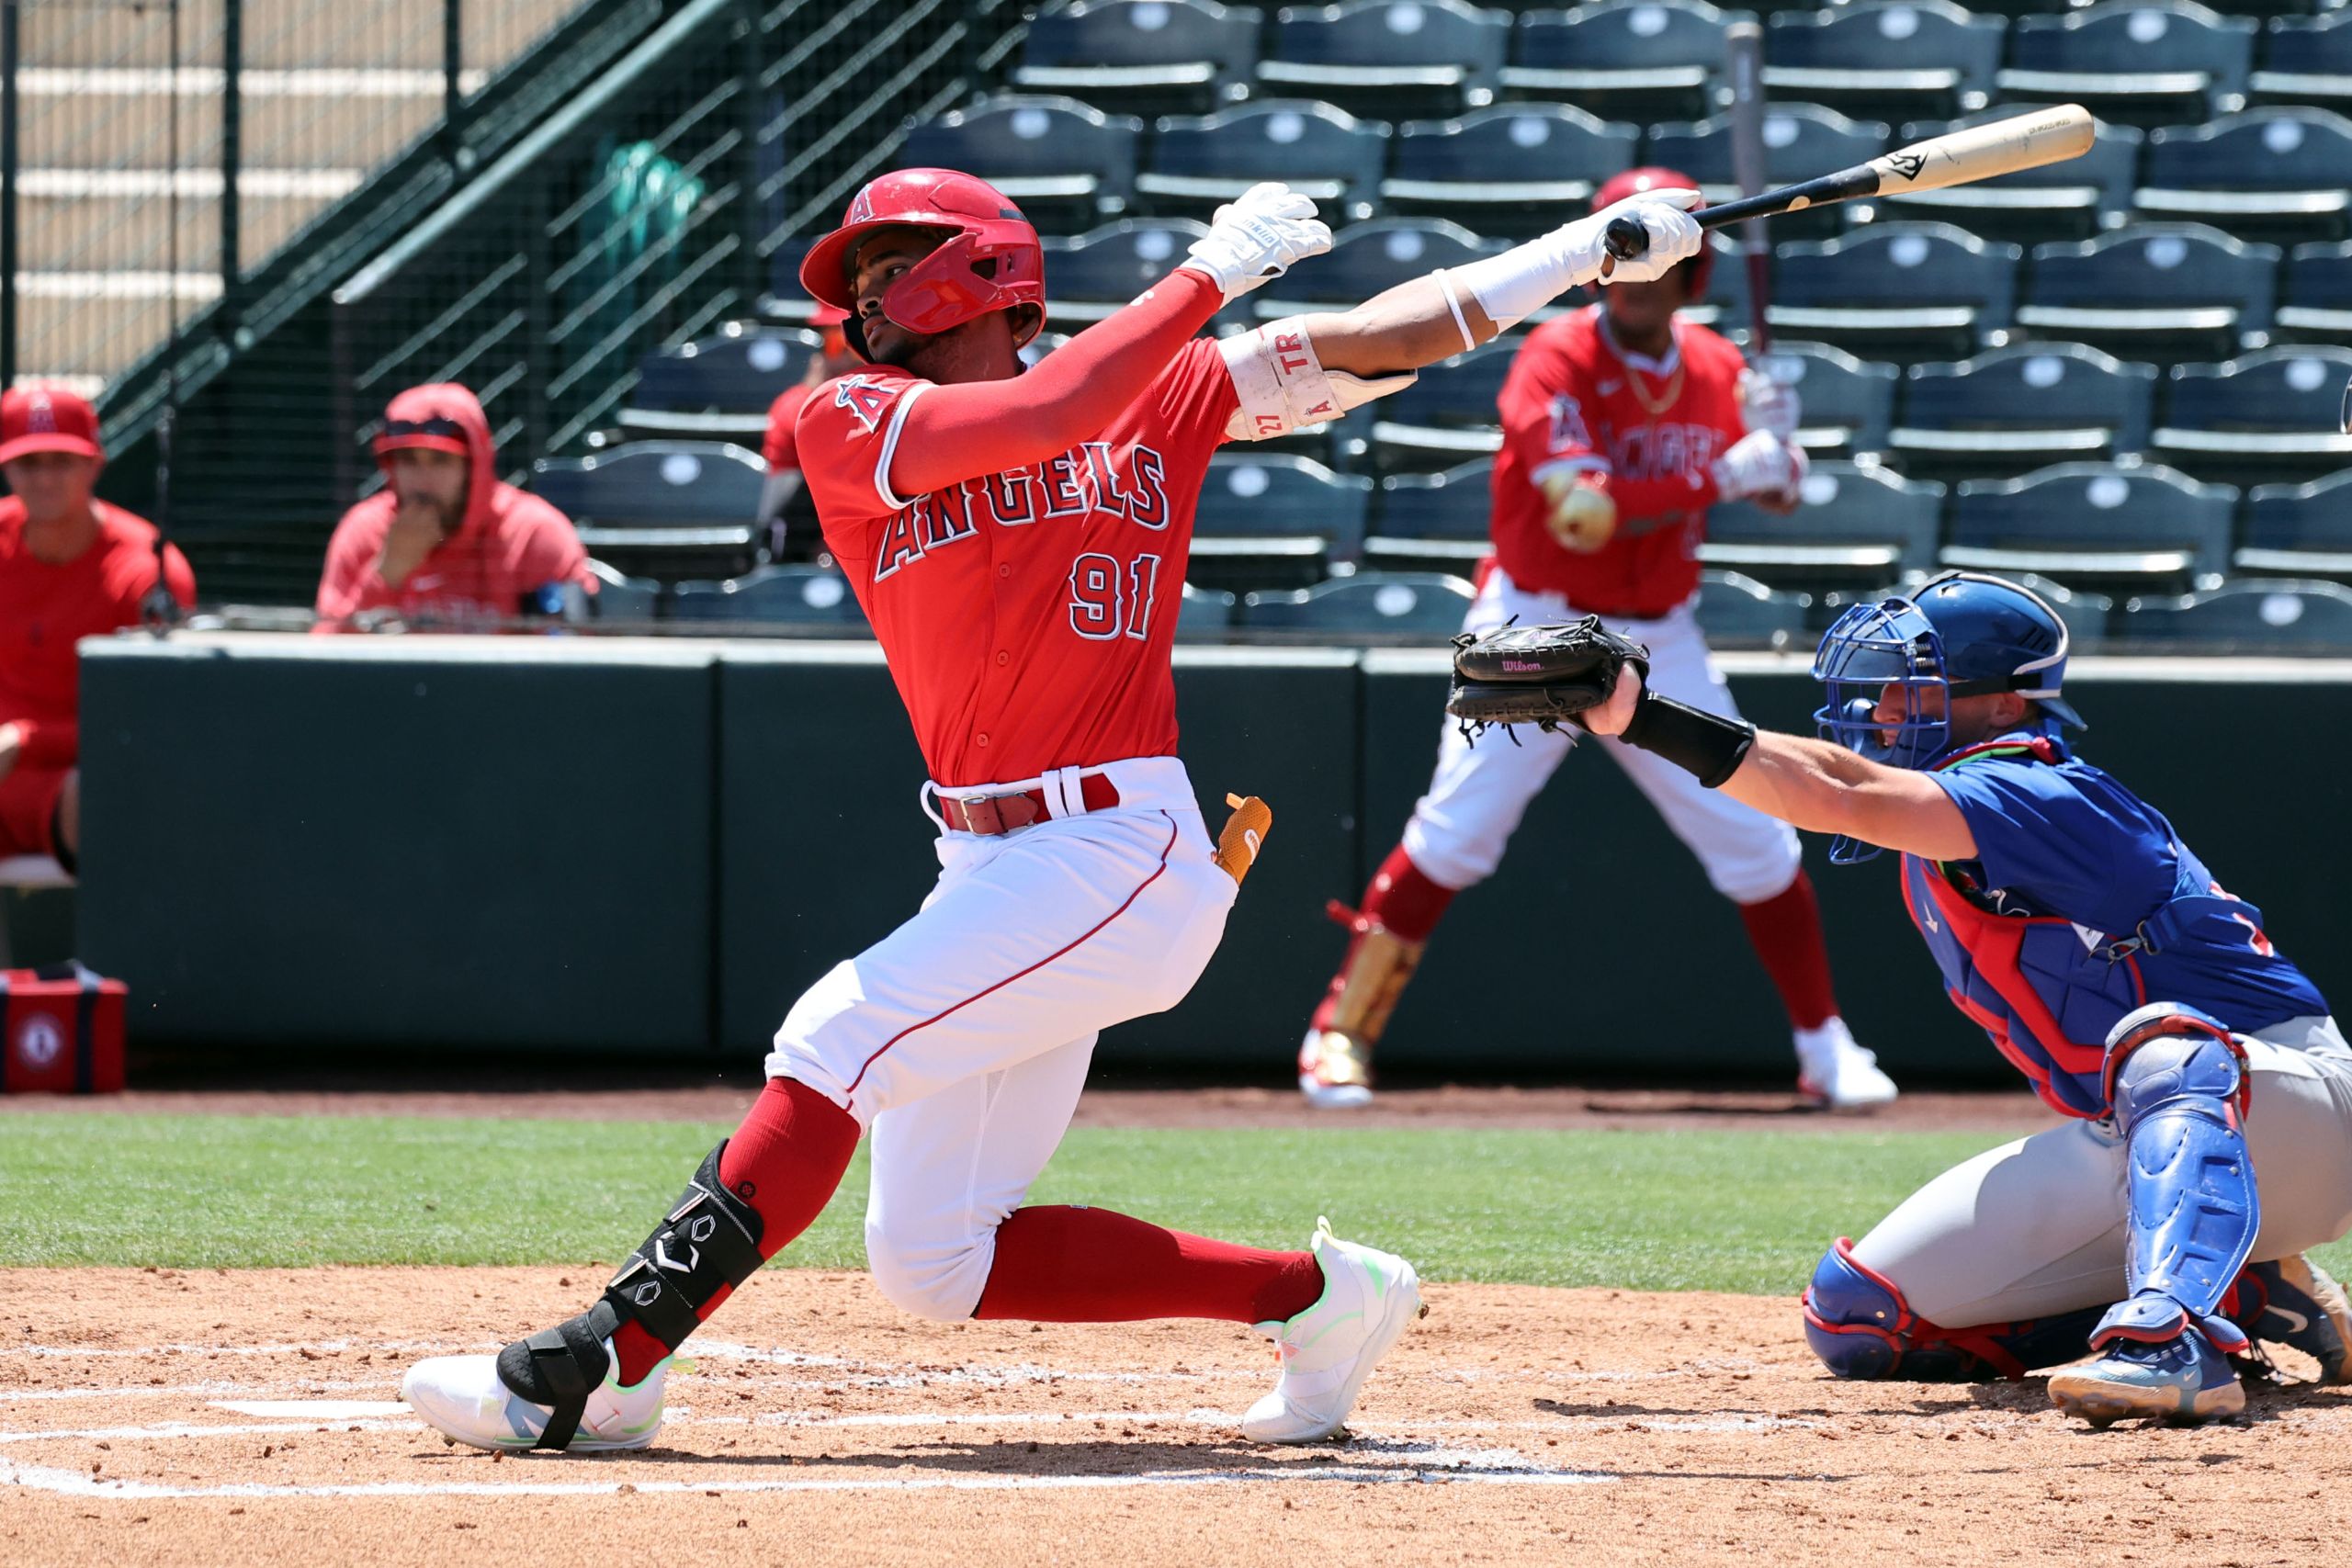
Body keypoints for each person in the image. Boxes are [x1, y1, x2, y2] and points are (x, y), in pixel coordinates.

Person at [401, 165, 1708, 1453]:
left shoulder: (1167, 387)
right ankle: (1322, 1299)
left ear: (970, 267)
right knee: (932, 1257)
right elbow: (1046, 412)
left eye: (880, 259)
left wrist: (1583, 252)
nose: (860, 291)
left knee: (831, 1039)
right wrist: (1207, 276)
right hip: (987, 862)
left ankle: (606, 1366)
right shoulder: (847, 416)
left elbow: (1395, 331)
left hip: (1117, 846)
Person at [1574, 570, 2352, 1424]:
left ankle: (2171, 1343)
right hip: (2140, 1139)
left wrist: (1643, 719)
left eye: (1917, 688)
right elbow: (1837, 787)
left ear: (2006, 706)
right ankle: (2250, 1290)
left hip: (2291, 1109)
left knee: (2165, 1046)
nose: (1885, 710)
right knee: (1860, 1318)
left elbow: (1838, 790)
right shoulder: (1949, 822)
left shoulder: (2040, 788)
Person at [1296, 167, 1894, 1112]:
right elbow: (1583, 513)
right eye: (1626, 259)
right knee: (1455, 835)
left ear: (1692, 274)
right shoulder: (1553, 358)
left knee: (1756, 837)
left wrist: (1780, 453)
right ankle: (1338, 1033)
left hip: (1659, 629)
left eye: (1661, 264)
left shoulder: (1716, 370)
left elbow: (1772, 494)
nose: (1641, 281)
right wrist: (1722, 475)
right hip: (1535, 621)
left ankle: (1825, 1047)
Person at [0, 386, 196, 871]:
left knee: (103, 795)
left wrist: (26, 739)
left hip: (78, 783)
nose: (45, 480)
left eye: (62, 462)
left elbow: (153, 721)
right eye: (30, 464)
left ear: (95, 464)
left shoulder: (145, 570)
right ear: (7, 470)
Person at [314, 383, 594, 629]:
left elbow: (569, 654)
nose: (422, 481)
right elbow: (324, 665)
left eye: (440, 461)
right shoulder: (365, 532)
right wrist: (387, 574)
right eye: (409, 461)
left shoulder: (533, 534)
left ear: (475, 466)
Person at [757, 303, 859, 561]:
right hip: (801, 545)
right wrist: (815, 394)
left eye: (853, 343)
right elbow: (797, 424)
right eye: (835, 344)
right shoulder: (798, 401)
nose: (846, 358)